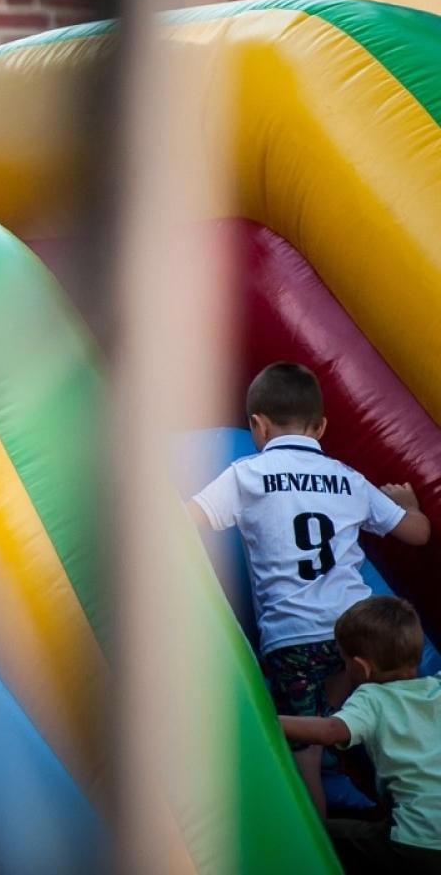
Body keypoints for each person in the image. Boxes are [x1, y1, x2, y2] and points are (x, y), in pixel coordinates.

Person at [187, 361, 430, 814]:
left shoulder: (247, 474)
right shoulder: (348, 478)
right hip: (358, 633)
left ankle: (320, 843)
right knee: (378, 715)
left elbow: (190, 520)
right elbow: (417, 534)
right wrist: (409, 505)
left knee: (307, 762)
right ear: (320, 426)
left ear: (256, 426)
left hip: (293, 640)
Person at [280, 597, 441, 874]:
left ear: (361, 667)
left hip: (418, 843)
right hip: (424, 834)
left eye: (344, 660)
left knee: (319, 835)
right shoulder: (436, 688)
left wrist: (271, 720)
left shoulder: (373, 698)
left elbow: (331, 731)